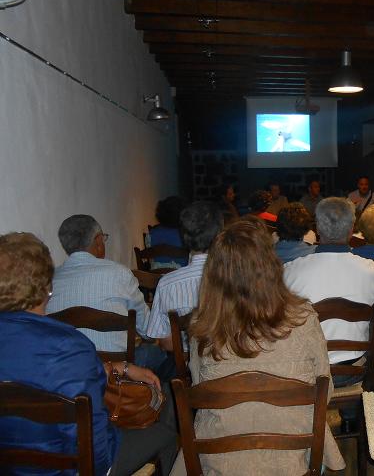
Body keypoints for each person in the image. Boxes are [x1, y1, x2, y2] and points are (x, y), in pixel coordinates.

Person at [0, 233, 178, 476]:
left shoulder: (64, 348)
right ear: (47, 288)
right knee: (166, 432)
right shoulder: (69, 345)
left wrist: (119, 367)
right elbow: (96, 449)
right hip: (76, 468)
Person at [184, 218, 345, 474]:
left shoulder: (202, 326)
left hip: (221, 460)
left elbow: (199, 391)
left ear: (213, 274)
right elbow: (324, 391)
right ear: (271, 266)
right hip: (294, 457)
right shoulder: (303, 318)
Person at [47, 215, 166, 374]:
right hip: (118, 369)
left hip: (69, 370)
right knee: (162, 354)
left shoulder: (50, 280)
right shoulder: (120, 273)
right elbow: (148, 330)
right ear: (98, 241)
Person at [283, 198, 374, 377]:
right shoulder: (373, 271)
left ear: (317, 229)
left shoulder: (290, 271)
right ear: (351, 230)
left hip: (308, 372)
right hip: (355, 369)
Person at [146, 202, 223, 352]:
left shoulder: (166, 284)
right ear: (219, 235)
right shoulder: (233, 278)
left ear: (184, 236)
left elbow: (166, 343)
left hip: (184, 359)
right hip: (225, 358)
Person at [146, 195, 188, 269]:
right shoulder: (185, 235)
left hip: (155, 274)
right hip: (181, 274)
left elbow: (150, 259)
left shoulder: (151, 234)